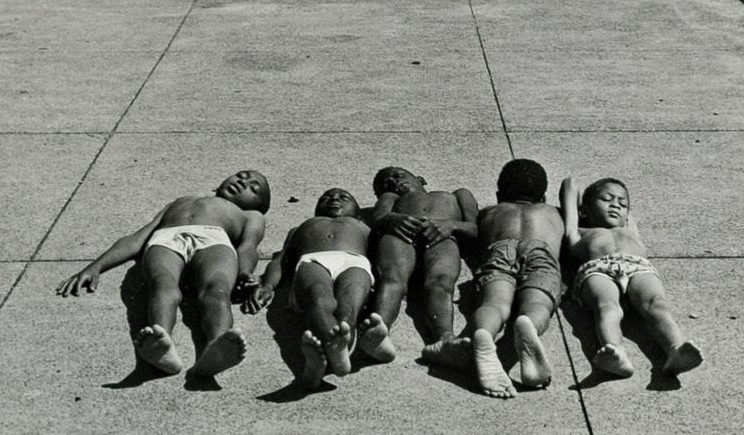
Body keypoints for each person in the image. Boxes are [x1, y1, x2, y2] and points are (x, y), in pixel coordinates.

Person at [56, 170, 270, 378]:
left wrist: (245, 272)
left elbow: (248, 247)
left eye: (254, 188)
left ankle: (218, 346)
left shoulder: (252, 215)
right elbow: (137, 238)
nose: (243, 183)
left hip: (214, 239)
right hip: (167, 238)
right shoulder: (180, 202)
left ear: (259, 204)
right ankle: (161, 343)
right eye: (240, 176)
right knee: (163, 285)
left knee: (217, 290)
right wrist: (95, 267)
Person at [426, 159, 563, 399]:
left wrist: (454, 223)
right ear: (543, 197)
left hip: (501, 248)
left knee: (494, 304)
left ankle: (484, 334)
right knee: (538, 303)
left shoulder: (491, 212)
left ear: (499, 195)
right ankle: (529, 325)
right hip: (541, 250)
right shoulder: (553, 212)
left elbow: (471, 226)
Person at [559, 176, 703, 378]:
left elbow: (625, 212)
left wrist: (609, 203)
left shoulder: (629, 228)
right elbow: (570, 184)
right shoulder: (578, 232)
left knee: (657, 304)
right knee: (607, 307)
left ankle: (676, 350)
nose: (615, 205)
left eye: (622, 203)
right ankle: (616, 353)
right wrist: (584, 201)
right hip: (598, 268)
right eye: (606, 199)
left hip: (638, 267)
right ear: (583, 211)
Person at [241, 188, 373, 390]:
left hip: (355, 261)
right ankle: (335, 348)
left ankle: (333, 354)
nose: (334, 199)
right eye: (325, 198)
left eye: (344, 197)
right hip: (313, 260)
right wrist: (268, 285)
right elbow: (280, 261)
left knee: (349, 308)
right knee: (318, 299)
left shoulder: (363, 226)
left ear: (358, 213)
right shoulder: (302, 227)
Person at [360, 167, 478, 363]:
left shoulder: (459, 194)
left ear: (420, 179)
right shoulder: (390, 197)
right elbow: (380, 217)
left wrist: (451, 225)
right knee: (392, 278)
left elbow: (475, 229)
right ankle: (378, 331)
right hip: (400, 234)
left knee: (441, 282)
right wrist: (393, 219)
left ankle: (445, 339)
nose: (394, 182)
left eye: (398, 176)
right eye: (386, 184)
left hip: (441, 235)